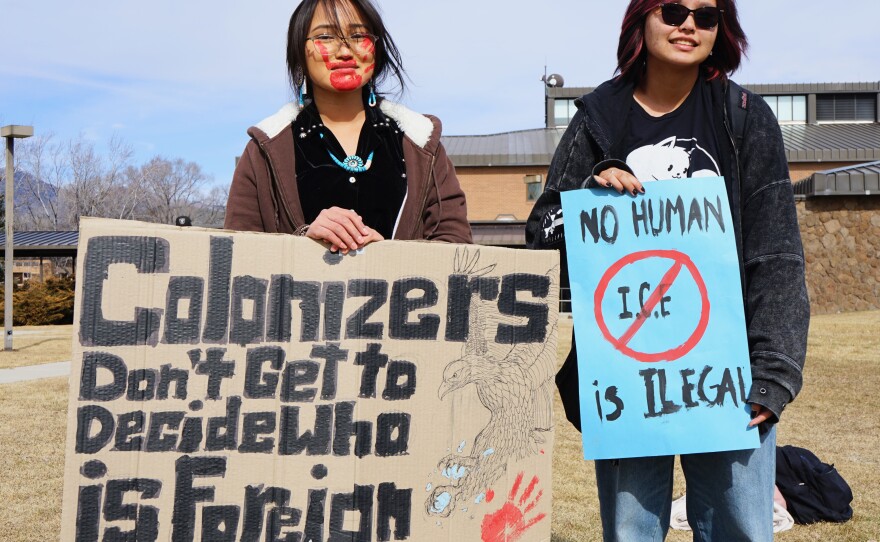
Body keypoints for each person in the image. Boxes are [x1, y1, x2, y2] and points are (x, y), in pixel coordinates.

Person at [526, 0, 809, 540]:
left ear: (721, 30)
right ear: (641, 20)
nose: (689, 25)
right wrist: (589, 197)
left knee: (741, 529)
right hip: (625, 376)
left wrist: (775, 372)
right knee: (632, 530)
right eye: (674, 10)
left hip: (729, 374)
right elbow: (544, 233)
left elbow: (777, 257)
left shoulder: (746, 116)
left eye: (706, 16)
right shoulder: (597, 119)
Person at [225, 0, 471, 249]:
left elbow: (457, 249)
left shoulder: (421, 143)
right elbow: (238, 255)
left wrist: (390, 256)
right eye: (326, 36)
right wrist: (304, 241)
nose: (344, 51)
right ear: (299, 51)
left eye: (357, 35)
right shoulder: (264, 150)